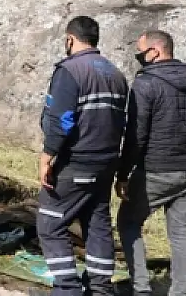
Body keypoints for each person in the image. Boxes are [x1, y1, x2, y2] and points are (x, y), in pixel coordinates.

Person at [115, 30, 186, 296]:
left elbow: (136, 135)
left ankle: (141, 289)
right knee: (180, 234)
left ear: (156, 51)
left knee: (129, 223)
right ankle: (180, 292)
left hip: (155, 171)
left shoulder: (146, 84)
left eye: (141, 52)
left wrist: (123, 174)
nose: (139, 57)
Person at [36, 16, 128, 296]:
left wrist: (47, 155)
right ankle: (101, 288)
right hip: (106, 163)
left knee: (50, 223)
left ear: (70, 39)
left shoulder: (71, 71)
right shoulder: (116, 74)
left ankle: (68, 288)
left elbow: (62, 119)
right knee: (97, 223)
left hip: (76, 162)